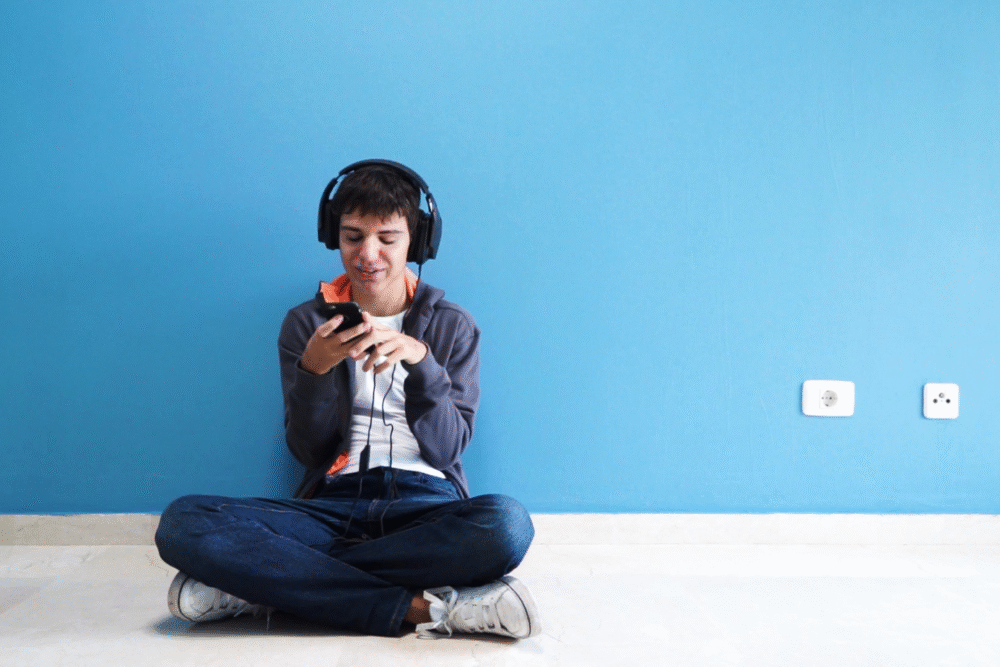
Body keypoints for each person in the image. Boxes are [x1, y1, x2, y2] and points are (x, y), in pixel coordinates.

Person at [154, 160, 540, 639]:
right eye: (353, 236)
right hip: (331, 506)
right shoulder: (305, 323)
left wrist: (422, 363)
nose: (367, 254)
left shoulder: (452, 325)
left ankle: (266, 585)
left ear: (416, 242)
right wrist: (314, 370)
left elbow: (447, 450)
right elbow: (309, 452)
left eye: (386, 238)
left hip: (425, 508)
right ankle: (424, 608)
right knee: (182, 523)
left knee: (506, 526)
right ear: (332, 236)